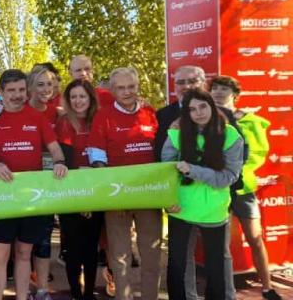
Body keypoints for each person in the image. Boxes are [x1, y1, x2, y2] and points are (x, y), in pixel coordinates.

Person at [0, 69, 69, 300]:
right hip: (2, 196)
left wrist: (59, 162)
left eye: (21, 90)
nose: (17, 95)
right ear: (1, 92)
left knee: (24, 252)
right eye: (12, 91)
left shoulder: (37, 117)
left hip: (32, 196)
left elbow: (55, 149)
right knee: (0, 253)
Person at [161, 88, 244, 300]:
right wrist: (168, 201)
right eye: (192, 109)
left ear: (211, 106)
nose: (198, 112)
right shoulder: (176, 134)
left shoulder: (231, 136)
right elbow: (165, 173)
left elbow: (228, 177)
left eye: (203, 106)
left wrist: (193, 170)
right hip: (180, 208)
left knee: (215, 267)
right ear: (186, 113)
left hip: (213, 211)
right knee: (177, 264)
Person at [88, 67, 161, 300]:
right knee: (119, 257)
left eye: (131, 86)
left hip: (149, 194)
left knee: (151, 253)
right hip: (117, 194)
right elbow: (96, 156)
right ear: (112, 90)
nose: (127, 92)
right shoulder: (103, 115)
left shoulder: (150, 112)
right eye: (121, 87)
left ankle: (150, 296)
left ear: (138, 86)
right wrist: (109, 185)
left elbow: (164, 152)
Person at [210, 76, 282, 300]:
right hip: (218, 189)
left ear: (235, 95)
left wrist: (239, 171)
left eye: (224, 88)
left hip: (243, 189)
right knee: (224, 244)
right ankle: (226, 290)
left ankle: (268, 287)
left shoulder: (251, 121)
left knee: (255, 238)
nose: (219, 92)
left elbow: (257, 154)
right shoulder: (203, 119)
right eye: (215, 88)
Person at [55, 79, 102, 300]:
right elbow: (66, 160)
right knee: (73, 248)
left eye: (82, 96)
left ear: (90, 98)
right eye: (73, 97)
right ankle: (76, 293)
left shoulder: (101, 120)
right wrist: (82, 199)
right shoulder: (64, 122)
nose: (77, 101)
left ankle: (89, 292)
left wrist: (91, 198)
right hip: (72, 193)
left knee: (91, 248)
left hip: (98, 191)